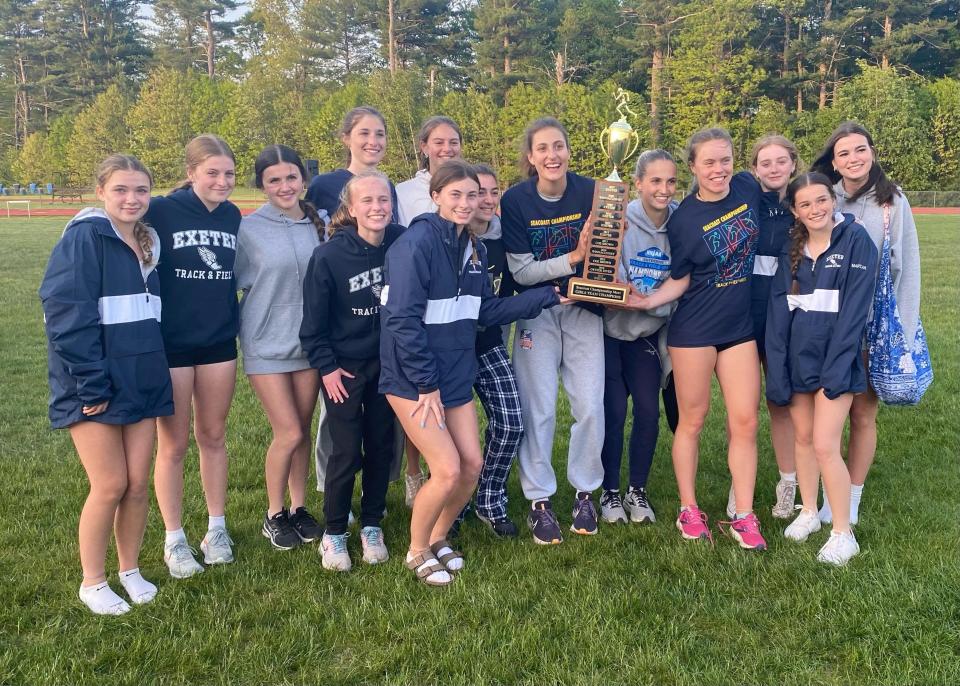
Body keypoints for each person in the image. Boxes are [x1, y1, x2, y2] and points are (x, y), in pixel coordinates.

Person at [380, 160, 561, 586]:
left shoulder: (474, 249)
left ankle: (439, 537)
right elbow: (403, 322)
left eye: (473, 194)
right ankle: (416, 550)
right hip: (414, 380)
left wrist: (546, 297)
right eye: (456, 194)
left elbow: (485, 312)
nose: (466, 203)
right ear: (437, 196)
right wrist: (426, 383)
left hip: (455, 372)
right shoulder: (416, 244)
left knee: (472, 466)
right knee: (445, 469)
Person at [40, 154, 173, 615]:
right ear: (101, 192)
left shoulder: (147, 240)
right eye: (121, 189)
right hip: (93, 382)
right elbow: (66, 317)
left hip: (141, 378)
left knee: (137, 484)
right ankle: (92, 581)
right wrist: (91, 384)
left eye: (141, 190)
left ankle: (129, 569)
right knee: (110, 483)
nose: (132, 199)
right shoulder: (84, 238)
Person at [633, 128, 766, 550]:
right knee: (692, 421)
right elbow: (682, 276)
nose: (718, 169)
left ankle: (744, 515)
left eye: (725, 159)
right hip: (694, 331)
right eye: (708, 162)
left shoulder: (746, 186)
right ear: (693, 167)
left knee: (745, 421)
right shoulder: (684, 218)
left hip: (739, 329)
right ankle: (689, 509)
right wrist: (647, 301)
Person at [810, 122, 922, 527]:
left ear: (872, 152)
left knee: (861, 415)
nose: (854, 158)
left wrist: (901, 335)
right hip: (827, 322)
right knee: (828, 417)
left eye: (861, 150)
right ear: (834, 161)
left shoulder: (892, 201)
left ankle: (851, 498)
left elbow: (906, 269)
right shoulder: (824, 198)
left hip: (873, 326)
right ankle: (828, 494)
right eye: (844, 153)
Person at [765, 173, 878, 564]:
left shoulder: (856, 241)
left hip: (837, 360)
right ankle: (809, 511)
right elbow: (779, 312)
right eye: (806, 204)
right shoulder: (791, 247)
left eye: (822, 200)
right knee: (803, 439)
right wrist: (777, 367)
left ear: (834, 200)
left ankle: (843, 531)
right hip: (799, 359)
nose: (816, 210)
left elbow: (854, 312)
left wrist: (838, 365)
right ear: (795, 211)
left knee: (826, 444)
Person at [500, 117, 602, 545]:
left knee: (590, 405)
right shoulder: (516, 200)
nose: (552, 155)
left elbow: (607, 246)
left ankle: (585, 491)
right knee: (538, 409)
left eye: (558, 146)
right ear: (531, 157)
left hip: (583, 308)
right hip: (538, 311)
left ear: (568, 150)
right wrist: (573, 257)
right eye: (542, 148)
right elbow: (521, 272)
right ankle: (539, 500)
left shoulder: (592, 190)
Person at [147, 134, 241, 578]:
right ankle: (174, 538)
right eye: (212, 173)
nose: (221, 182)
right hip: (172, 343)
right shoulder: (162, 210)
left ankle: (216, 529)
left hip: (219, 341)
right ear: (190, 173)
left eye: (228, 174)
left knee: (214, 435)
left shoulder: (233, 214)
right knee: (174, 443)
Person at [300, 171, 403, 571]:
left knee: (380, 445)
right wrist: (327, 368)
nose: (377, 208)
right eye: (368, 201)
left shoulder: (399, 242)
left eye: (383, 200)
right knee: (344, 450)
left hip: (388, 364)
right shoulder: (329, 255)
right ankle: (335, 531)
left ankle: (372, 522)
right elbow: (313, 326)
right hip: (344, 369)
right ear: (351, 208)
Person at [306, 106, 401, 500]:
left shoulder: (387, 187)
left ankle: (377, 498)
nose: (372, 141)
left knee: (381, 428)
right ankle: (333, 494)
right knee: (338, 427)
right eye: (364, 133)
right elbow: (313, 229)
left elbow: (396, 242)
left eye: (379, 134)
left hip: (380, 333)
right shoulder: (326, 183)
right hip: (338, 314)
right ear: (346, 137)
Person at [235, 145, 326, 550]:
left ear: (302, 180)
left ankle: (299, 507)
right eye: (274, 180)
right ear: (262, 186)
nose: (285, 186)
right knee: (287, 431)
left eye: (291, 177)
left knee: (302, 431)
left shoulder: (319, 222)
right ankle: (274, 514)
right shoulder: (249, 230)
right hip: (265, 344)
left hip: (310, 343)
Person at [599, 150, 678, 525]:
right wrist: (619, 290)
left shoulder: (680, 222)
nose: (663, 190)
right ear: (638, 183)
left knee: (648, 410)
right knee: (613, 412)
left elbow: (683, 278)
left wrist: (652, 306)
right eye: (656, 181)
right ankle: (610, 492)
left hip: (648, 332)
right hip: (611, 331)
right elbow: (600, 268)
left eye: (671, 181)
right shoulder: (618, 217)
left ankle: (637, 490)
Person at [394, 116, 465, 504]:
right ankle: (413, 473)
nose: (446, 148)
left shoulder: (466, 184)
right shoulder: (404, 192)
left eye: (453, 142)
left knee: (447, 402)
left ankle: (445, 472)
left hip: (451, 309)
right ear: (423, 146)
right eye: (438, 142)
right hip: (413, 303)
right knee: (418, 398)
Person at [741, 135, 800, 520]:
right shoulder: (744, 199)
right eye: (766, 163)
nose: (774, 168)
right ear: (755, 168)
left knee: (782, 402)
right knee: (742, 407)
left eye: (781, 161)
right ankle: (739, 485)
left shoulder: (804, 202)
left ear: (793, 165)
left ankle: (789, 483)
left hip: (787, 317)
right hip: (745, 315)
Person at [466, 164, 522, 538]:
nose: (486, 199)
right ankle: (451, 508)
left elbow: (530, 274)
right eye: (478, 192)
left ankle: (488, 497)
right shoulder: (449, 238)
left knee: (511, 422)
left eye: (492, 191)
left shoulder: (505, 239)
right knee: (455, 440)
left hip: (488, 344)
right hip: (449, 351)